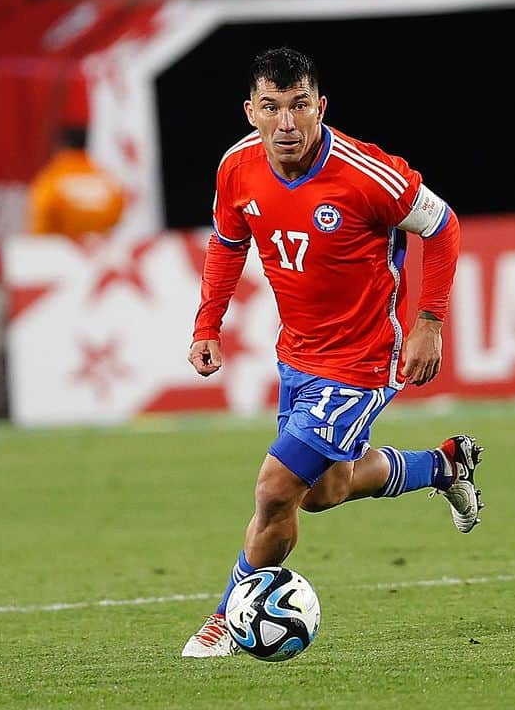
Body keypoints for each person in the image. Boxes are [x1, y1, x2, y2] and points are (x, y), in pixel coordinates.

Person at [182, 48, 485, 658]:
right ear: (251, 112)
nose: (286, 123)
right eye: (271, 108)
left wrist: (429, 322)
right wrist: (207, 322)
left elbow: (443, 226)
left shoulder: (368, 175)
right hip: (297, 354)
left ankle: (226, 617)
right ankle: (443, 466)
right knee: (322, 491)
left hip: (363, 358)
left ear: (320, 106)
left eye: (299, 106)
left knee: (275, 490)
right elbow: (226, 241)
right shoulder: (238, 168)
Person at [29, 126, 125, 240]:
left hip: (59, 251)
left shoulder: (52, 178)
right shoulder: (106, 179)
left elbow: (41, 215)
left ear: (62, 146)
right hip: (95, 251)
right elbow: (117, 214)